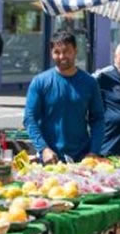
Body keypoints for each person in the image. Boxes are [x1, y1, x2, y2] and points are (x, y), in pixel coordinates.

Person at [24, 31, 104, 163]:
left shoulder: (89, 83)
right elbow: (30, 118)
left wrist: (94, 151)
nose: (62, 56)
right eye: (56, 52)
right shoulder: (40, 82)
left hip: (82, 158)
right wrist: (43, 148)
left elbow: (98, 119)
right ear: (51, 53)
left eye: (67, 51)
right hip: (50, 158)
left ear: (75, 51)